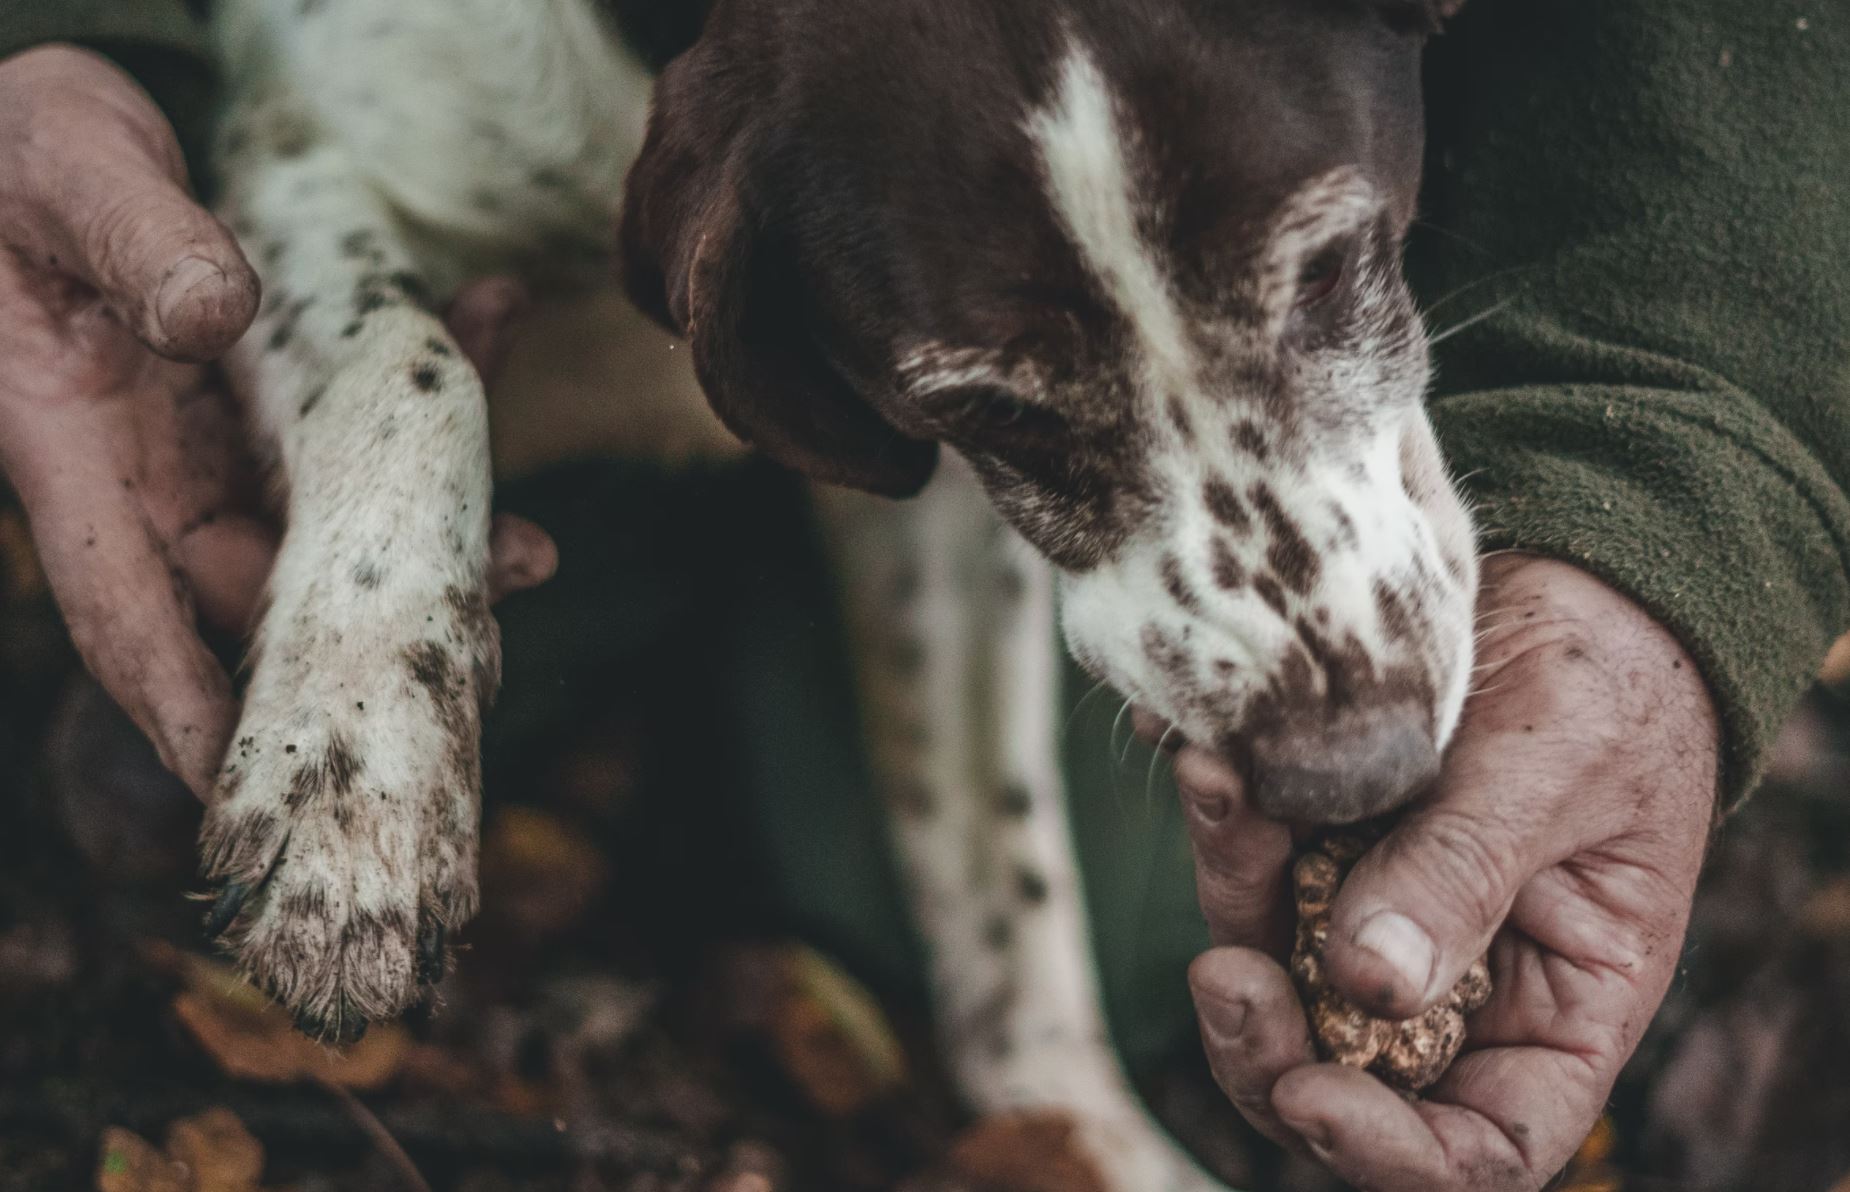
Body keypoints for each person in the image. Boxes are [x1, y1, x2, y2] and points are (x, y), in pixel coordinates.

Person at [1, 4, 1844, 1190]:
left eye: (1320, 277)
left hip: (824, 345)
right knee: (212, 715)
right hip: (623, 310)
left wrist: (1676, 487)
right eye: (1010, 406)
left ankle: (1022, 1035)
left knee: (1162, 958)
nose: (1341, 669)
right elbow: (314, 176)